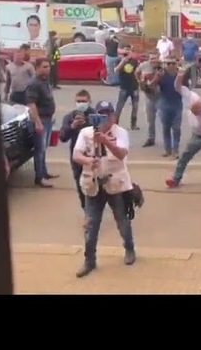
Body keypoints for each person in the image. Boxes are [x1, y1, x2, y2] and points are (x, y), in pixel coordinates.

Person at [72, 100, 136, 278]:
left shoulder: (120, 133)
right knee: (91, 225)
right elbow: (76, 154)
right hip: (93, 184)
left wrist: (105, 141)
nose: (104, 119)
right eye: (100, 115)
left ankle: (129, 248)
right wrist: (87, 161)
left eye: (108, 115)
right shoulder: (85, 133)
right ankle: (89, 260)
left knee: (122, 220)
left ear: (113, 117)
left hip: (116, 184)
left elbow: (121, 154)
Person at [165, 66, 201, 191]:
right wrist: (180, 75)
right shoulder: (190, 97)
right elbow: (177, 87)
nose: (194, 114)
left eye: (197, 113)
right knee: (185, 156)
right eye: (192, 112)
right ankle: (175, 178)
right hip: (197, 135)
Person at [59, 90, 96, 214]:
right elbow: (63, 137)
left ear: (89, 101)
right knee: (81, 186)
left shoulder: (95, 115)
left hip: (94, 156)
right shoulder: (69, 117)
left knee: (97, 184)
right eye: (78, 101)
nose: (81, 103)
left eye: (84, 101)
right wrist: (72, 127)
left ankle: (95, 210)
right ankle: (87, 212)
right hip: (77, 157)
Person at [26, 57, 58, 188]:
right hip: (41, 120)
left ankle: (44, 172)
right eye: (44, 67)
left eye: (48, 67)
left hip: (48, 119)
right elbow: (31, 104)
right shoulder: (34, 83)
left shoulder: (44, 81)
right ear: (37, 68)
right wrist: (38, 122)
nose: (47, 69)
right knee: (39, 150)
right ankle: (39, 178)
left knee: (44, 149)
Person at [156, 58, 183, 158]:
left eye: (172, 63)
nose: (170, 66)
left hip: (177, 104)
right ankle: (167, 149)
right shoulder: (162, 75)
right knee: (166, 128)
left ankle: (175, 150)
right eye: (168, 64)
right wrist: (157, 77)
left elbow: (186, 88)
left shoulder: (180, 75)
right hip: (165, 104)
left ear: (176, 65)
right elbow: (152, 86)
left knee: (176, 128)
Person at [135, 53, 161, 147]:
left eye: (155, 58)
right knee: (150, 120)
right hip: (149, 96)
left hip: (161, 97)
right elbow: (137, 72)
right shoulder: (144, 65)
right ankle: (151, 138)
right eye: (151, 59)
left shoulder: (162, 67)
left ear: (159, 58)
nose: (153, 60)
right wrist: (139, 81)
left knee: (165, 120)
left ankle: (169, 141)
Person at [114, 44, 140, 130]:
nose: (127, 52)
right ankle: (115, 123)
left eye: (129, 51)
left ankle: (133, 124)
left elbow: (137, 72)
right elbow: (116, 71)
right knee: (119, 106)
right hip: (124, 87)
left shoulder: (134, 61)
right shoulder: (119, 60)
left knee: (135, 107)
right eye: (126, 50)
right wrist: (123, 61)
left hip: (134, 86)